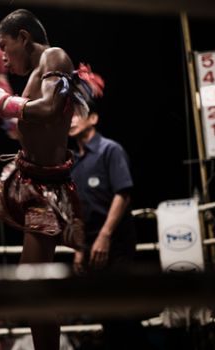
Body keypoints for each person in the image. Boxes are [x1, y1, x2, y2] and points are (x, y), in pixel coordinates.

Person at [0, 9, 104, 350]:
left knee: (33, 290)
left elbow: (45, 109)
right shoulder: (37, 74)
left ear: (23, 38)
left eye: (4, 45)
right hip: (22, 175)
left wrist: (1, 101)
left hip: (46, 192)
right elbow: (24, 125)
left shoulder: (55, 57)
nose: (1, 55)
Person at [68, 100, 151, 349]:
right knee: (104, 312)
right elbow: (78, 207)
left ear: (93, 118)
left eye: (77, 115)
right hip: (90, 244)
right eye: (67, 116)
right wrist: (79, 249)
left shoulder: (109, 150)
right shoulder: (74, 161)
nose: (71, 120)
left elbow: (123, 193)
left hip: (116, 241)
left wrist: (105, 235)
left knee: (121, 309)